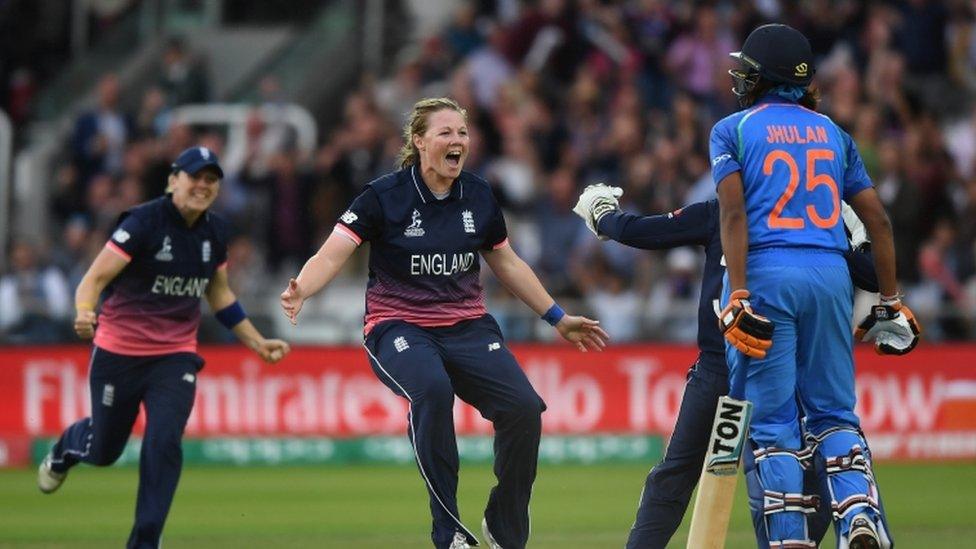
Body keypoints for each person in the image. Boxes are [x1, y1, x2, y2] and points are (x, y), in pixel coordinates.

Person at [279, 97, 608, 549]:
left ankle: (504, 526)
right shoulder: (383, 196)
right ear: (418, 141)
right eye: (446, 132)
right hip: (397, 326)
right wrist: (303, 288)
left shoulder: (477, 193)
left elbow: (506, 262)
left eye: (463, 133)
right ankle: (449, 531)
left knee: (524, 410)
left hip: (469, 328)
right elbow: (336, 250)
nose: (458, 141)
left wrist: (557, 317)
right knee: (432, 391)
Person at [573, 186, 881, 548]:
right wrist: (855, 243)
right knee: (796, 475)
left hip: (725, 370)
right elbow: (873, 277)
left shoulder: (725, 210)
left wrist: (604, 215)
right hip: (777, 372)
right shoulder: (814, 219)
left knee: (678, 476)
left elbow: (639, 232)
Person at [711, 24, 920, 547]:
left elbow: (733, 215)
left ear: (765, 77)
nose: (739, 76)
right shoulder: (834, 132)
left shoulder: (731, 129)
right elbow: (879, 222)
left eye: (748, 70)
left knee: (776, 423)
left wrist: (737, 293)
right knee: (833, 413)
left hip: (766, 275)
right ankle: (858, 515)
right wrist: (890, 302)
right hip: (830, 276)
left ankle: (788, 537)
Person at [37, 146, 291, 549]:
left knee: (164, 440)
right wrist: (84, 311)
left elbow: (219, 294)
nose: (203, 186)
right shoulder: (143, 222)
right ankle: (66, 448)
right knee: (104, 450)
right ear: (174, 180)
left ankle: (145, 543)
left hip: (174, 357)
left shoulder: (215, 233)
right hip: (118, 354)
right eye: (195, 177)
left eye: (211, 180)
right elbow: (94, 278)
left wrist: (256, 342)